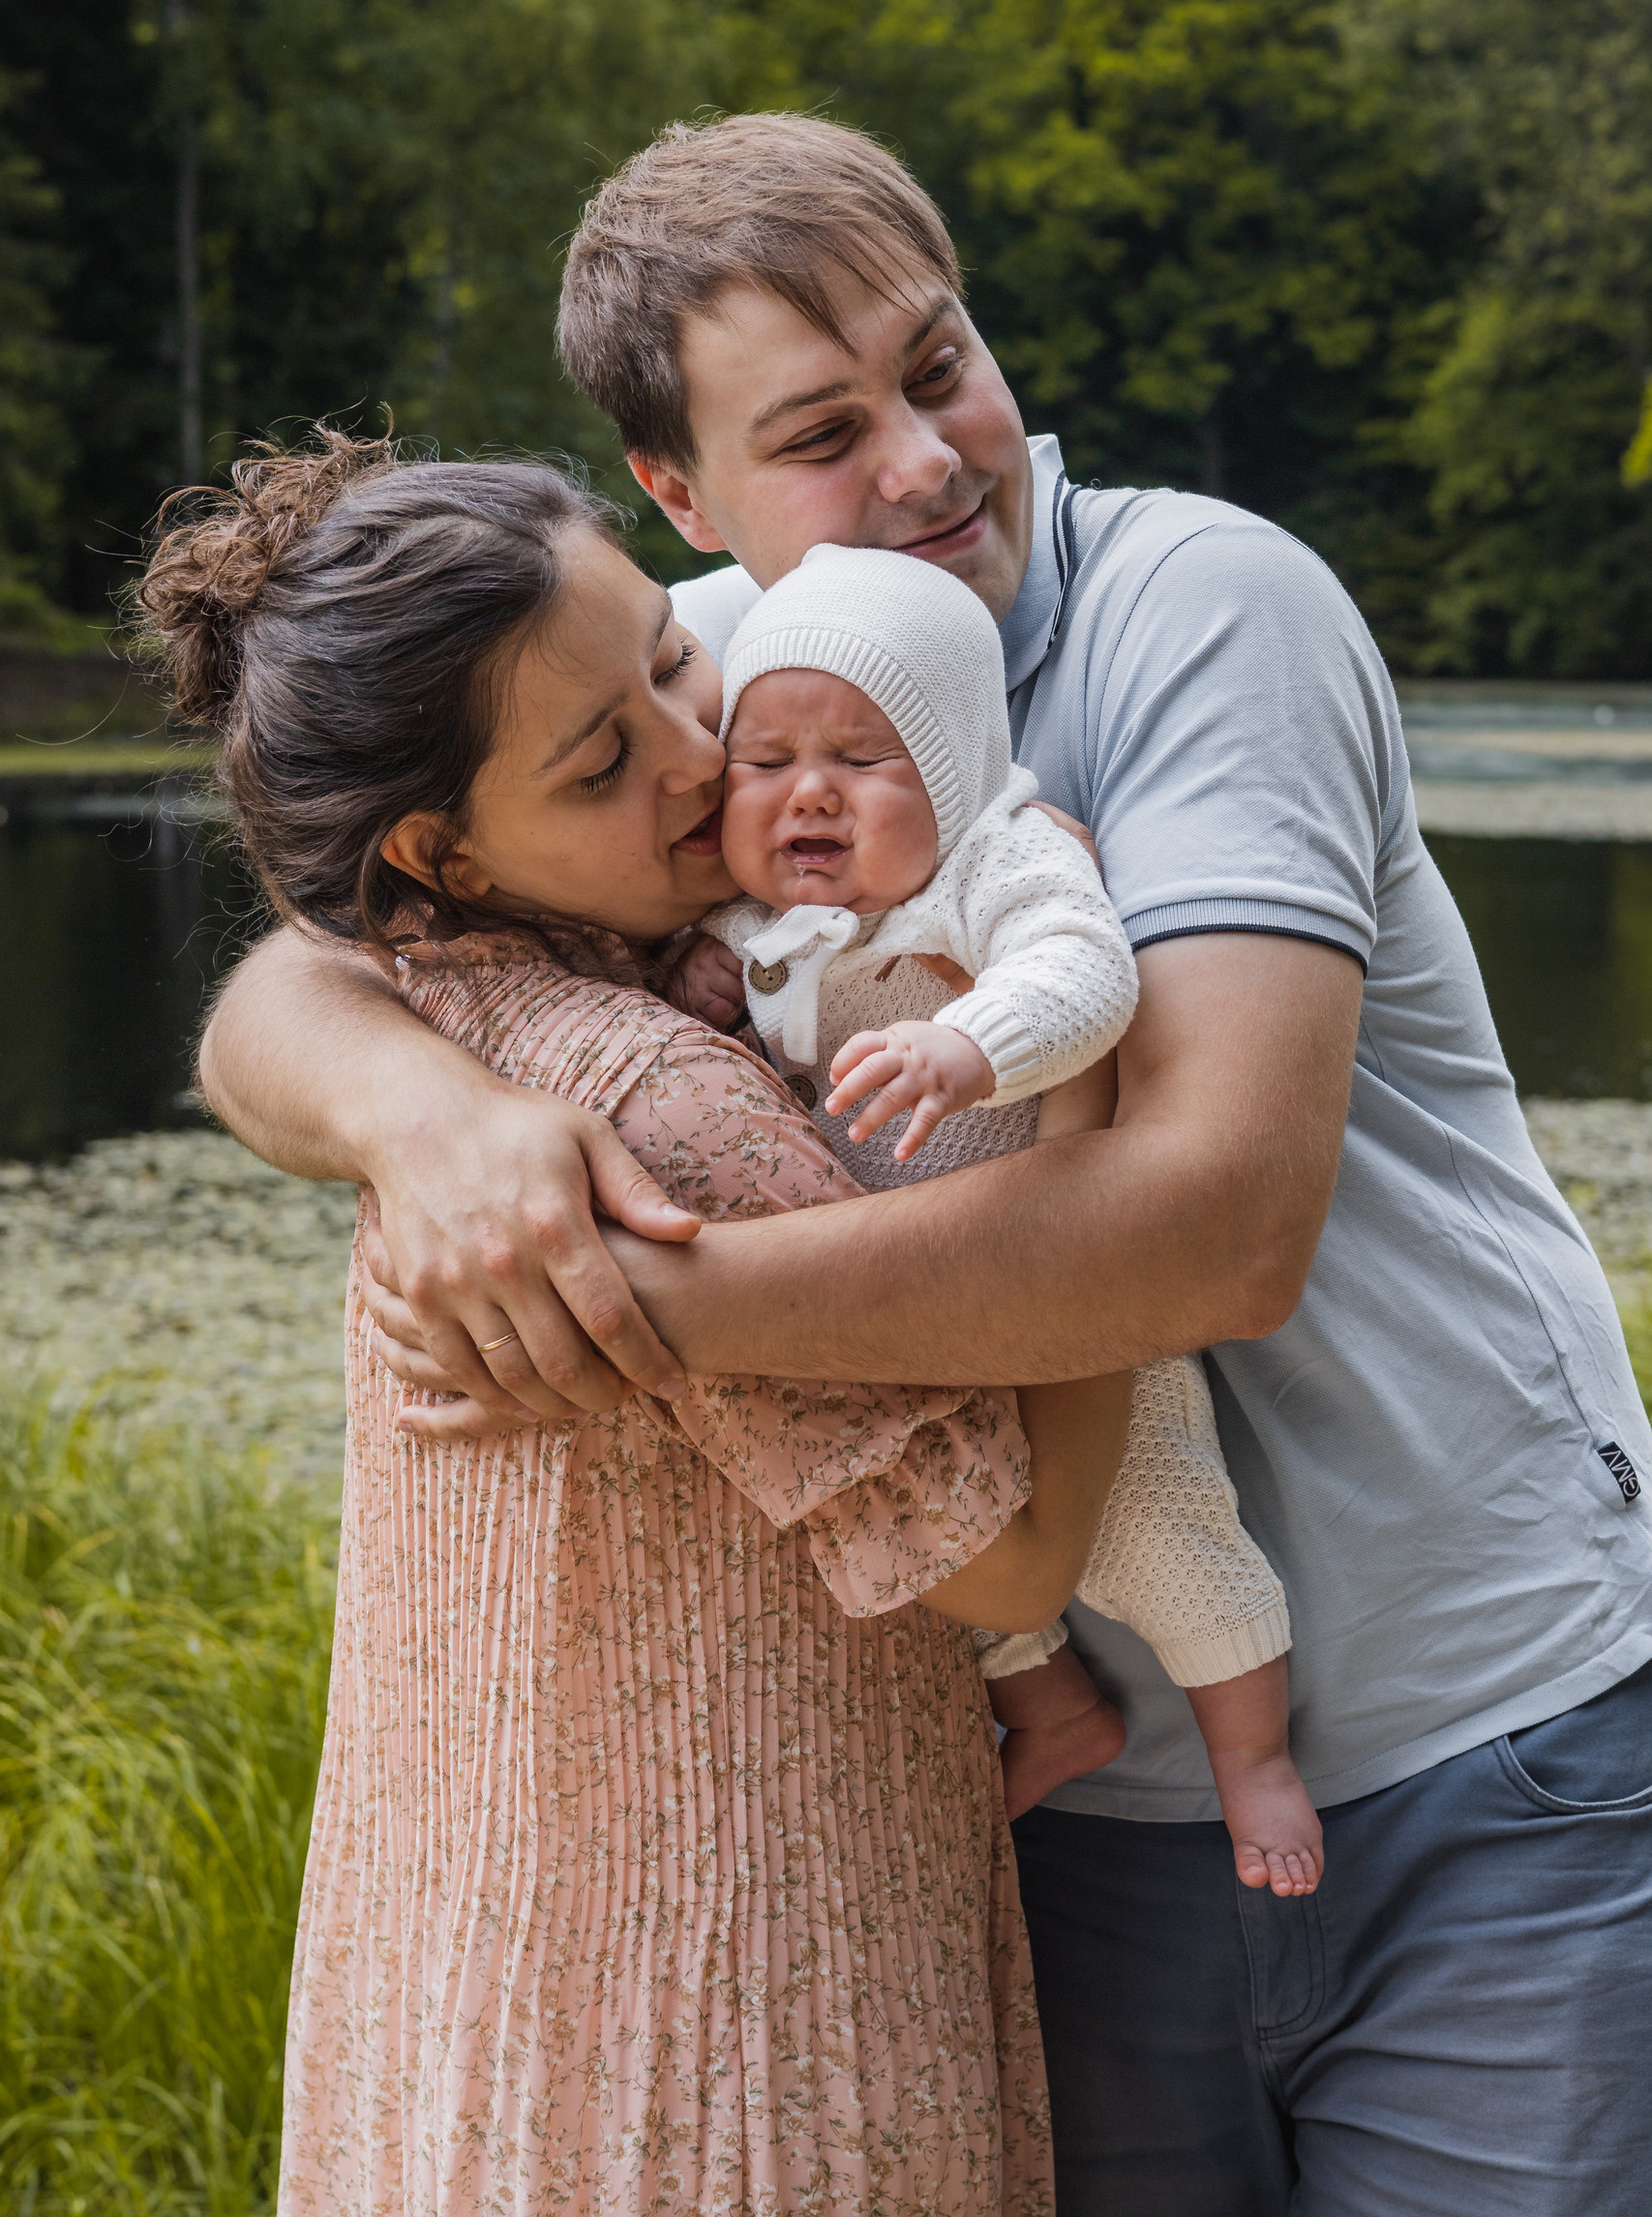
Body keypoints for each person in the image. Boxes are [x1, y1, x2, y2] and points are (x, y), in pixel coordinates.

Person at [202, 115, 1652, 2216]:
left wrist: (652, 1304)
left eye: (937, 359)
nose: (919, 458)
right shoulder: (688, 688)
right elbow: (306, 965)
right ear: (682, 502)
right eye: (819, 429)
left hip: (1472, 1746)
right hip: (1077, 1814)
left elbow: (1212, 1227)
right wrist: (429, 1116)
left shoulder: (1197, 611)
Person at [143, 431, 1140, 2214]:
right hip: (742, 2020)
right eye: (609, 761)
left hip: (475, 1979)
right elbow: (1013, 1561)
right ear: (440, 849)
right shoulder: (656, 1099)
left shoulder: (457, 991)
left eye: (682, 662)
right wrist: (1096, 1171)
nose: (704, 754)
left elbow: (294, 988)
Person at [677, 540, 1321, 1896]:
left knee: (1159, 1523)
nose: (810, 794)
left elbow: (1088, 971)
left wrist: (974, 1043)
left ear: (959, 763)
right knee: (939, 1539)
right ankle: (1055, 1708)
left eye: (864, 758)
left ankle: (1253, 1756)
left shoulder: (994, 858)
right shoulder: (743, 918)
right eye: (767, 760)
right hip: (901, 1312)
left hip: (1064, 1277)